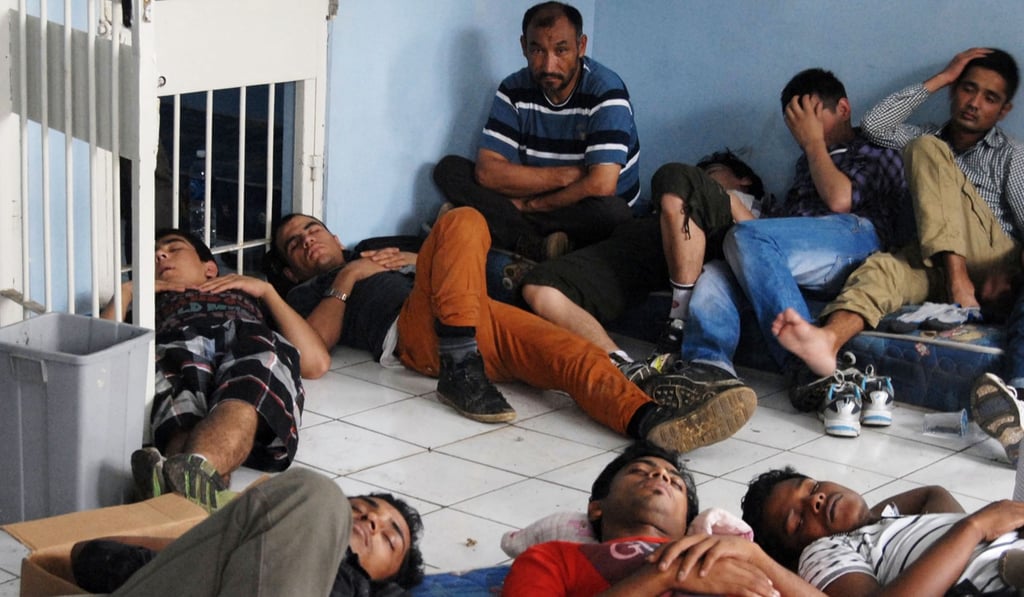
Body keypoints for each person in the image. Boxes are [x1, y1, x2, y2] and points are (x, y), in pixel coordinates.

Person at [271, 206, 755, 453]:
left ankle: (649, 422)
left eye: (312, 228)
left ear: (335, 234)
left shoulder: (379, 248)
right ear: (292, 270)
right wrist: (350, 276)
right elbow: (315, 351)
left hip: (473, 315)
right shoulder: (307, 292)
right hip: (418, 336)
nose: (307, 240)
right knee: (462, 216)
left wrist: (420, 261)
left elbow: (453, 260)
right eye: (294, 244)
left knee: (570, 356)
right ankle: (460, 368)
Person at [772, 49, 1024, 442]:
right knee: (882, 267)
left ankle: (960, 285)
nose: (974, 103)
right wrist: (940, 77)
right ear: (954, 90)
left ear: (1004, 109)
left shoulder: (1010, 154)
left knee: (925, 148)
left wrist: (1012, 272)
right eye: (967, 89)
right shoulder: (926, 133)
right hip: (938, 257)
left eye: (989, 98)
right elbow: (873, 126)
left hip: (991, 258)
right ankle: (827, 340)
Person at [671, 68, 911, 436]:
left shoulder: (875, 150)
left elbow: (840, 200)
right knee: (716, 272)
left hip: (856, 238)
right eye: (794, 124)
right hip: (799, 253)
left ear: (843, 108)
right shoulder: (806, 163)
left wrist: (815, 144)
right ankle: (709, 368)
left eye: (809, 119)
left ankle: (805, 366)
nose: (800, 132)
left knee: (747, 238)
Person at [102, 229, 330, 511]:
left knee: (253, 380)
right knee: (176, 397)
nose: (160, 255)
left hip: (244, 337)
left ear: (209, 268)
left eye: (174, 248)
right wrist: (128, 291)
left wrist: (267, 292)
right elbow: (103, 360)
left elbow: (315, 362)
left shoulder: (243, 292)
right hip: (175, 342)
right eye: (152, 255)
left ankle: (177, 482)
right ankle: (193, 477)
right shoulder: (143, 303)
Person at [520, 150, 769, 382]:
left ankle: (677, 323)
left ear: (744, 179)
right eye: (702, 174)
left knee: (675, 175)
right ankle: (623, 366)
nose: (704, 175)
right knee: (540, 286)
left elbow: (760, 245)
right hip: (644, 246)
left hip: (715, 237)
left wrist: (729, 200)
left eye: (711, 172)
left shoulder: (755, 212)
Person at [432, 1, 640, 261]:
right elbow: (487, 172)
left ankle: (502, 228)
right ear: (523, 47)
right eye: (538, 50)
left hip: (587, 205)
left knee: (613, 213)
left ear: (581, 46)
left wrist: (530, 206)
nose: (548, 65)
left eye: (561, 50)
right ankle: (538, 243)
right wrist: (567, 176)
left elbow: (602, 184)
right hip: (543, 191)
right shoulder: (513, 89)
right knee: (449, 170)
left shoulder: (606, 92)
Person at [501, 441, 818, 596]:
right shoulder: (554, 556)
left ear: (685, 527)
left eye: (676, 482)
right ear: (597, 507)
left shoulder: (724, 553)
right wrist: (664, 577)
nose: (660, 475)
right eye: (638, 471)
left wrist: (754, 555)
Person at [69, 467, 425, 596]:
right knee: (317, 493)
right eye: (358, 510)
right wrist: (209, 542)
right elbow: (87, 554)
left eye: (389, 540)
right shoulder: (307, 512)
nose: (372, 523)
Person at [741, 466, 1024, 595]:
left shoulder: (880, 529)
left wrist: (874, 518)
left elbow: (932, 493)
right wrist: (975, 527)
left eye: (814, 488)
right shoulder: (824, 551)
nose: (816, 500)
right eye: (798, 522)